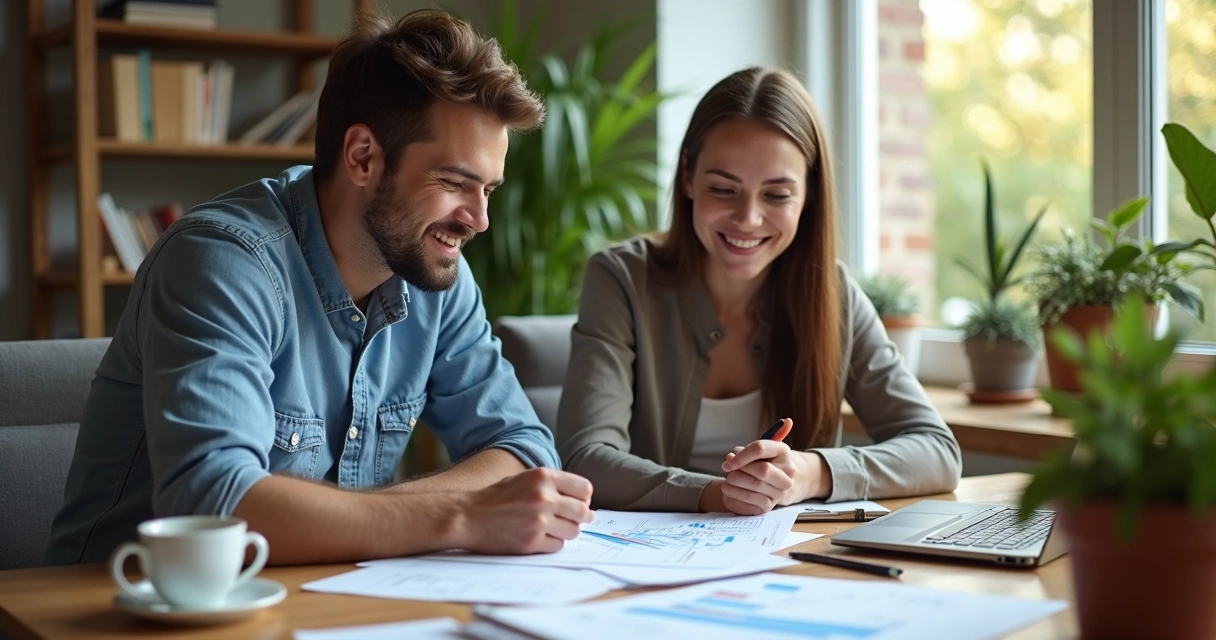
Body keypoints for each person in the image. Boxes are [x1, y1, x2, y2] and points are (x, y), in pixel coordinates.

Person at [45, 9, 594, 567]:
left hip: (323, 599)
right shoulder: (223, 263)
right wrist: (460, 514)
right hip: (124, 604)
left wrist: (367, 518)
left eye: (488, 190)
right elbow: (214, 505)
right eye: (454, 182)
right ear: (362, 157)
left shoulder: (433, 269)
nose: (478, 220)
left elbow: (524, 450)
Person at [557, 67, 961, 515]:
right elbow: (585, 458)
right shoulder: (621, 280)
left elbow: (938, 452)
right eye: (724, 189)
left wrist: (809, 473)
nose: (748, 218)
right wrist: (717, 494)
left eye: (777, 195)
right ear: (688, 178)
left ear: (808, 194)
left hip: (788, 564)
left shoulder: (833, 295)